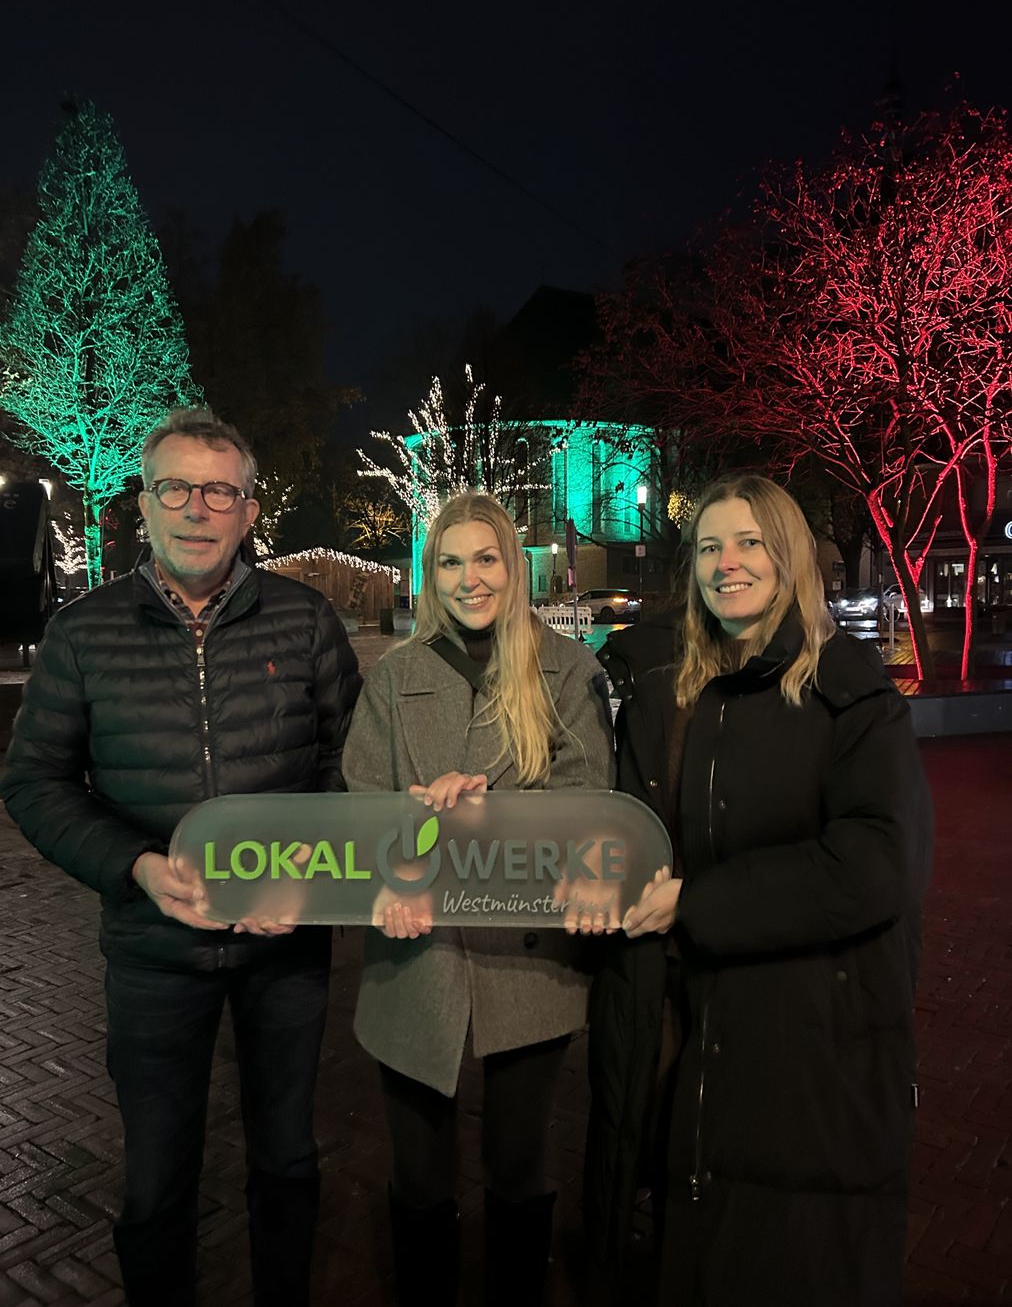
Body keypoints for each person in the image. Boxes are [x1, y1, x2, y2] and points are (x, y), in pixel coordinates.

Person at [1, 409, 361, 1307]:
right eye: (175, 488)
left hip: (287, 950)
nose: (196, 509)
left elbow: (353, 769)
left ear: (247, 511)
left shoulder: (306, 621)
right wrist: (136, 868)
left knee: (285, 1158)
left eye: (219, 491)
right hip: (154, 951)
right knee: (157, 1176)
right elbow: (36, 782)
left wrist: (309, 879)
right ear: (146, 503)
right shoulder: (84, 634)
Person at [585, 474, 932, 1307]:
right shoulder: (678, 692)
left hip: (816, 1038)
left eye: (748, 543)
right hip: (699, 1030)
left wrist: (698, 904)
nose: (727, 564)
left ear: (789, 557)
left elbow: (875, 863)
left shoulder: (851, 693)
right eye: (709, 546)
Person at [343, 491, 614, 1307]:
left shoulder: (568, 671)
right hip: (415, 953)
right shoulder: (393, 678)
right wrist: (389, 873)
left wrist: (487, 814)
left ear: (514, 566)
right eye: (450, 562)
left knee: (518, 1166)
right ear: (431, 575)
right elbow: (361, 801)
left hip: (525, 964)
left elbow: (587, 798)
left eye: (486, 559)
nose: (470, 579)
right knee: (420, 1174)